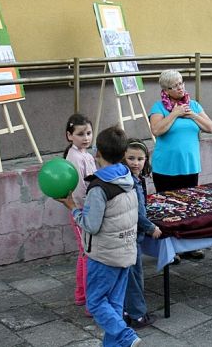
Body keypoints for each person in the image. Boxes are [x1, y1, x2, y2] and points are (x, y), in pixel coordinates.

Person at [56, 126, 141, 347]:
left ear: (97, 153)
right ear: (123, 154)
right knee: (114, 305)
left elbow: (90, 225)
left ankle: (126, 336)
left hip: (104, 256)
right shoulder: (128, 178)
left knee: (95, 303)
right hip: (125, 252)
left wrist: (72, 207)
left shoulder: (98, 187)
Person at [149, 69, 212, 259]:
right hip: (165, 168)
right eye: (175, 86)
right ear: (166, 90)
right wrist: (175, 113)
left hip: (189, 166)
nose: (180, 88)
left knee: (189, 207)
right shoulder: (159, 107)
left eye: (181, 83)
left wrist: (192, 115)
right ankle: (169, 250)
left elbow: (210, 127)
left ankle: (188, 245)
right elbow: (157, 130)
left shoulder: (193, 105)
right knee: (167, 208)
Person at [123, 139, 162, 329]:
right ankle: (138, 315)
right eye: (131, 158)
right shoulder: (129, 182)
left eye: (140, 159)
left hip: (130, 235)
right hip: (131, 235)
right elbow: (134, 212)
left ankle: (126, 311)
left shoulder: (136, 179)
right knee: (134, 276)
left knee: (129, 275)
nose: (136, 163)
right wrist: (150, 227)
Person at [63, 113, 97, 309]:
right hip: (82, 210)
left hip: (85, 208)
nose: (86, 138)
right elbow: (79, 190)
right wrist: (87, 209)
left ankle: (82, 295)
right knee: (87, 254)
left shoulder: (85, 154)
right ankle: (90, 300)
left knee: (84, 253)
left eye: (89, 133)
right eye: (80, 134)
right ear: (70, 136)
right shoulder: (75, 157)